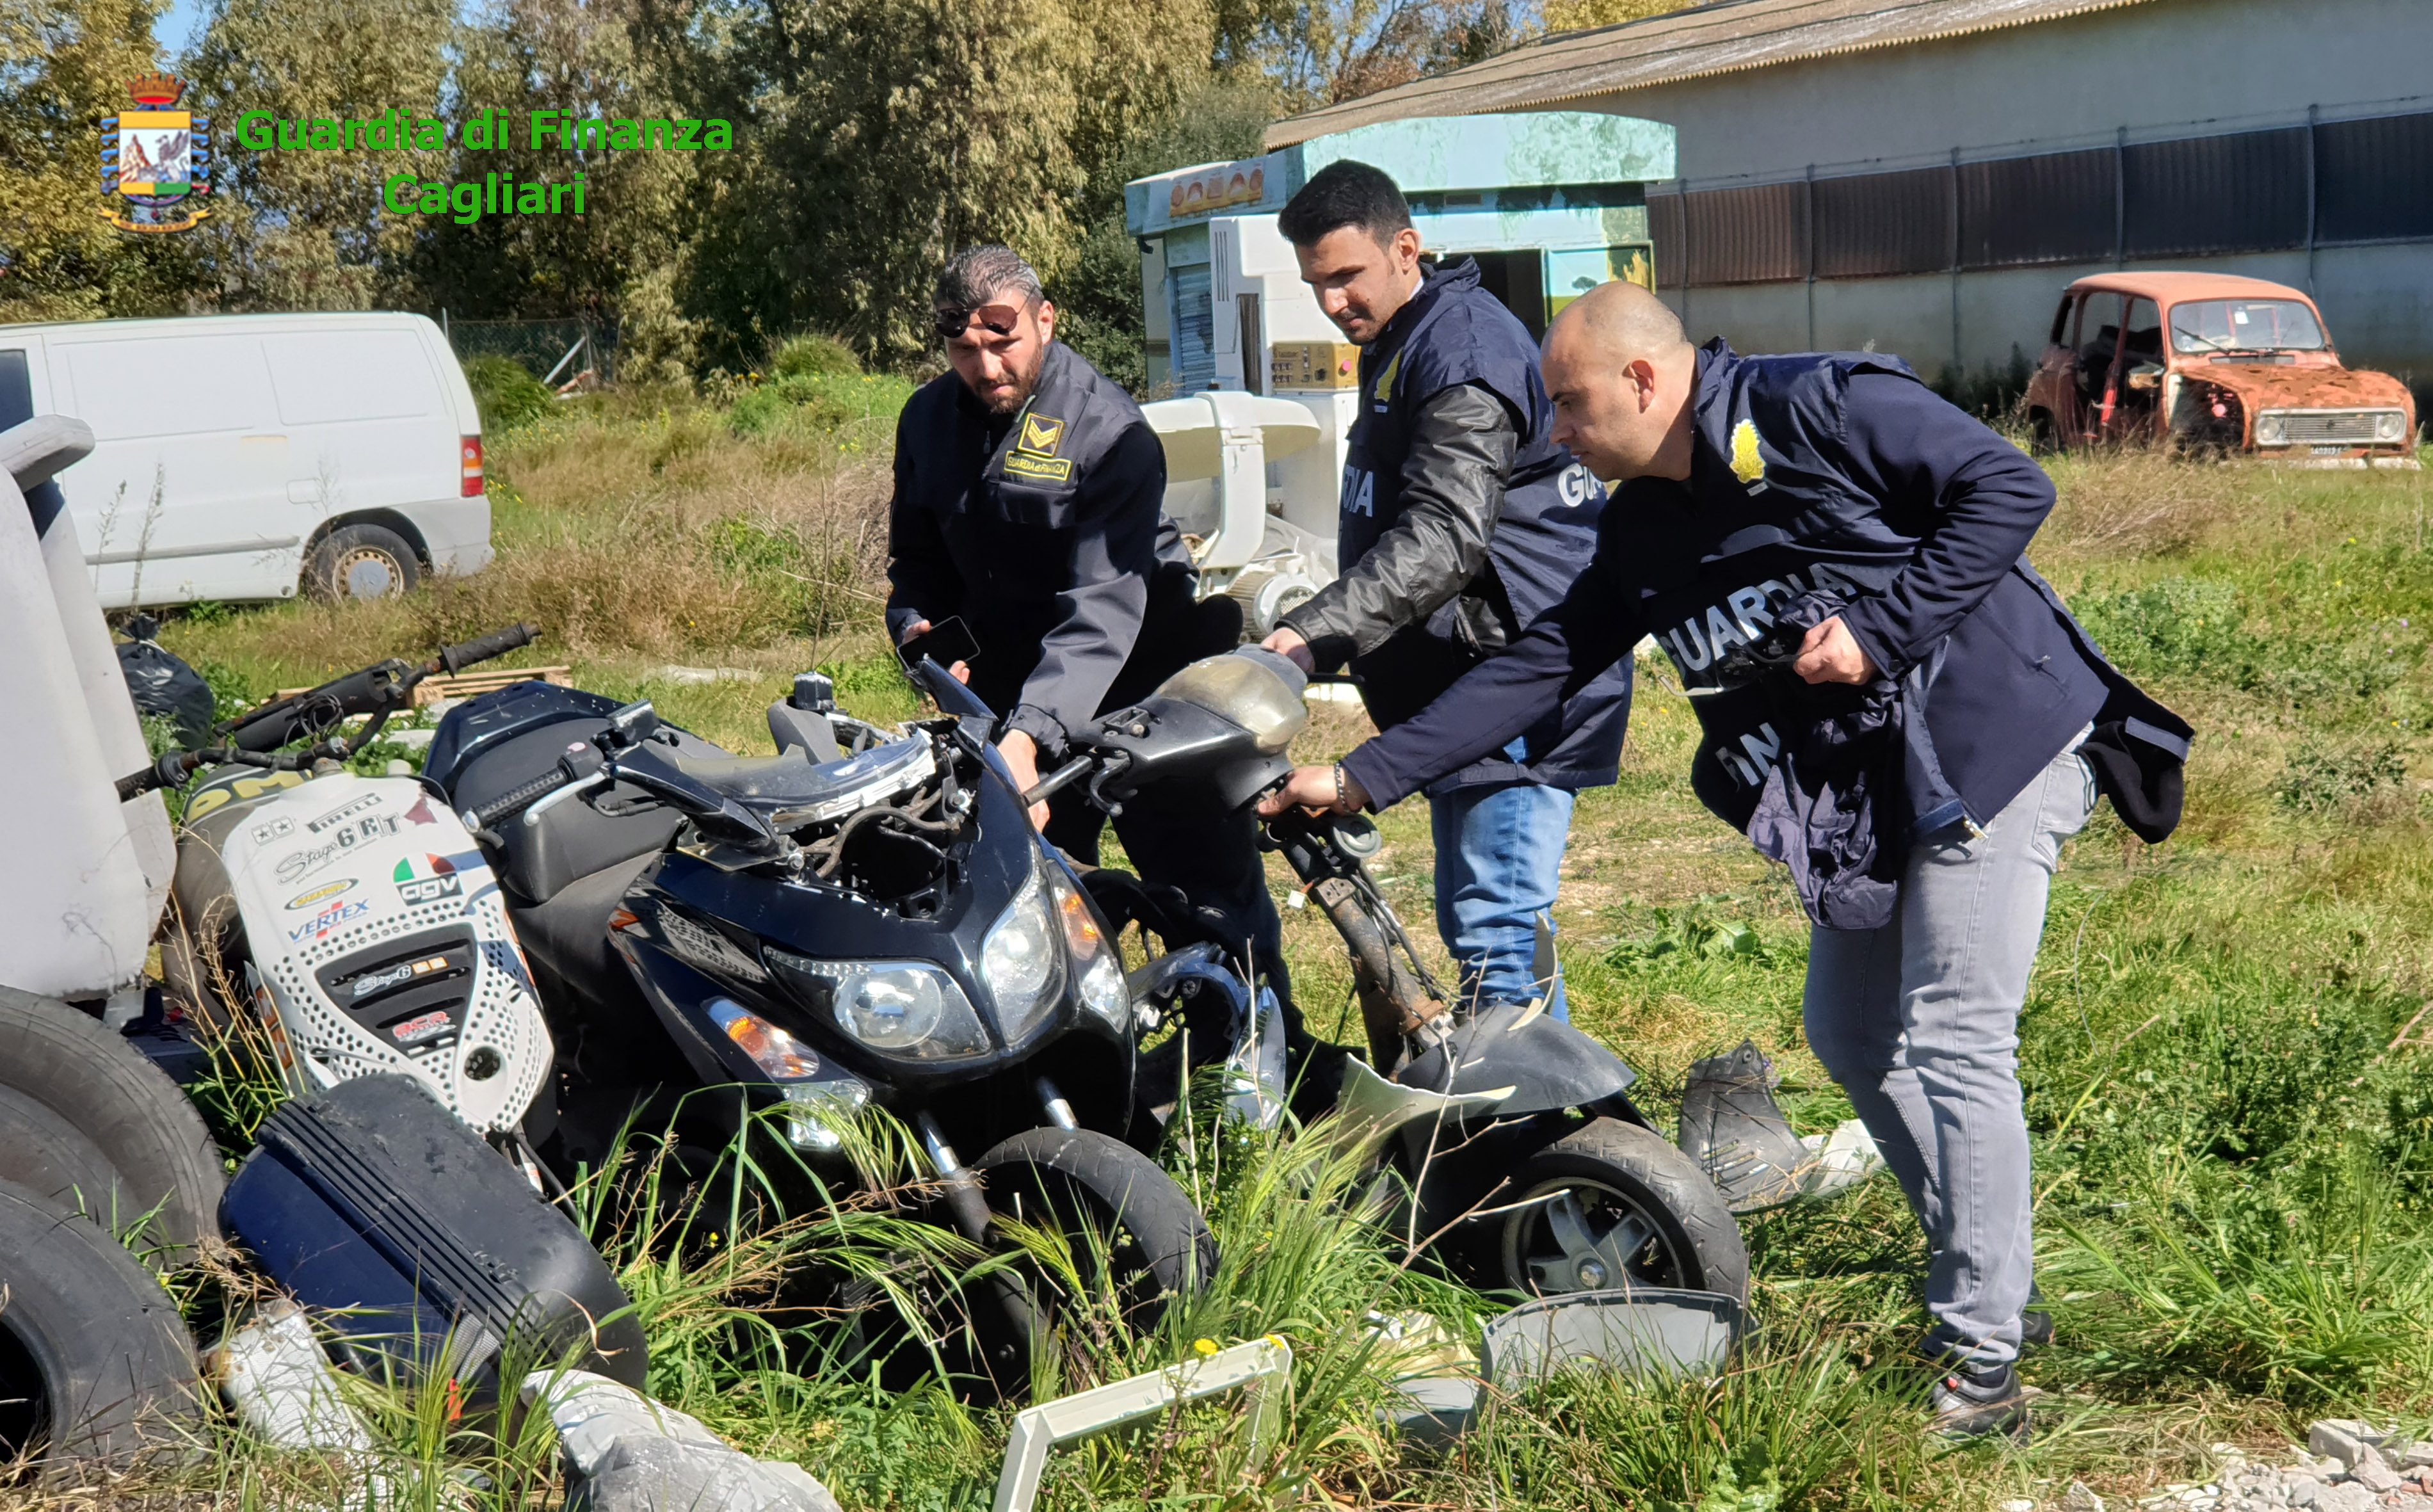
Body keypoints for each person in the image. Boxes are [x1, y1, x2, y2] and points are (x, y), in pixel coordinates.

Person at [1262, 281, 2189, 1438]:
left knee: (1954, 1037)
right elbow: (1543, 661)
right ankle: (1994, 1282)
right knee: (1853, 1031)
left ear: (1644, 380)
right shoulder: (1642, 524)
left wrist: (1880, 629)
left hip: (1994, 744)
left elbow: (2010, 485)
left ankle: (1984, 1364)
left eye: (1569, 404)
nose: (1556, 432)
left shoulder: (1820, 407)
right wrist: (1361, 775)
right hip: (1874, 783)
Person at [1257, 161, 1627, 1022]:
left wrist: (1312, 634)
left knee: (1497, 927)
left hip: (1516, 676)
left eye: (1347, 276)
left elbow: (1444, 536)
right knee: (1482, 921)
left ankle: (1535, 1103)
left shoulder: (1460, 351)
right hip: (1465, 678)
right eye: (1315, 284)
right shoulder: (1407, 334)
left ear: (1405, 248)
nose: (1333, 302)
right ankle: (1531, 1093)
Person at [887, 245, 1290, 1013]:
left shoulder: (1110, 432)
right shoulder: (927, 420)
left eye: (1003, 343)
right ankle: (1083, 1055)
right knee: (1033, 904)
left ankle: (1261, 1051)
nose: (986, 368)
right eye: (964, 350)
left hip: (1146, 694)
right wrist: (920, 634)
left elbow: (1103, 606)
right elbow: (918, 560)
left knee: (1207, 900)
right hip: (1013, 700)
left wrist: (1029, 736)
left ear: (1046, 320)